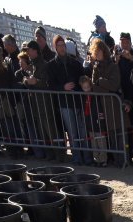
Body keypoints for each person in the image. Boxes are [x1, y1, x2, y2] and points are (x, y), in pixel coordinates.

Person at [46, 34, 91, 165]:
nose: (62, 48)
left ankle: (87, 157)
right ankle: (77, 157)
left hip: (78, 101)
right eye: (59, 45)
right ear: (55, 47)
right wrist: (63, 87)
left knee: (83, 131)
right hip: (64, 103)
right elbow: (50, 85)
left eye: (63, 45)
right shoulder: (51, 66)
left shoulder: (75, 63)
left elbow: (82, 78)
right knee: (72, 132)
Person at [89, 38, 128, 166]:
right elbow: (93, 87)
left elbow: (114, 85)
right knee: (111, 136)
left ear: (104, 51)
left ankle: (124, 161)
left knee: (120, 135)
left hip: (115, 106)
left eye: (99, 51)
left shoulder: (112, 66)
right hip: (104, 106)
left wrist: (101, 81)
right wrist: (102, 84)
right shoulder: (95, 67)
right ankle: (117, 161)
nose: (97, 53)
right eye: (95, 51)